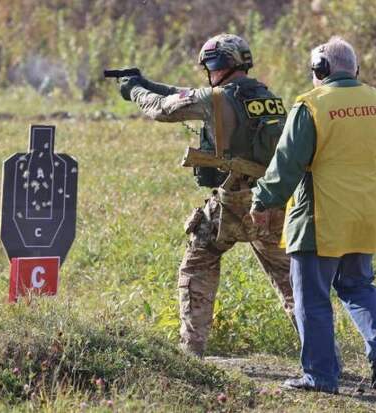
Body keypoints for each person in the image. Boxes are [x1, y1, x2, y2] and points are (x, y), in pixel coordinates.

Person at [117, 33, 295, 357]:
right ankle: (321, 355)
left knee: (197, 264)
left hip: (234, 201)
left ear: (217, 65)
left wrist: (134, 90)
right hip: (273, 199)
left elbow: (162, 108)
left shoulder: (215, 98)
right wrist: (149, 81)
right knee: (290, 281)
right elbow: (182, 94)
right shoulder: (268, 97)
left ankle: (192, 351)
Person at [250, 36, 376, 393]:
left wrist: (261, 200)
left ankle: (320, 377)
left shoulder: (311, 106)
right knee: (357, 285)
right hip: (367, 212)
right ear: (355, 68)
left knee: (312, 298)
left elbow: (286, 165)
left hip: (321, 217)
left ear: (320, 69)